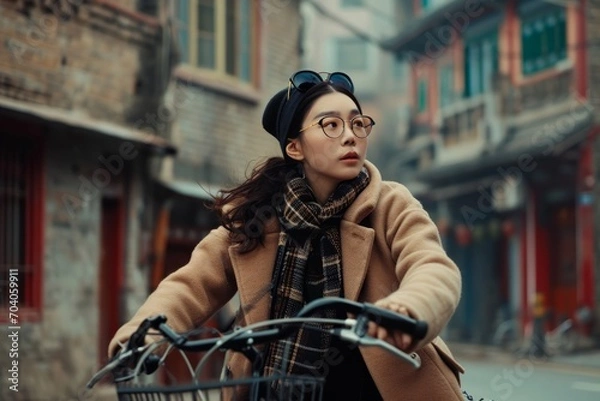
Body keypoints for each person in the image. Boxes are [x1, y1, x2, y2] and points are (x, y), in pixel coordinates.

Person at [108, 70, 465, 400]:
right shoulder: (255, 217)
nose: (350, 135)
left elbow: (433, 268)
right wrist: (139, 336)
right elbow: (191, 284)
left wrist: (406, 309)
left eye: (358, 124)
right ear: (295, 147)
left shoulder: (390, 204)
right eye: (331, 125)